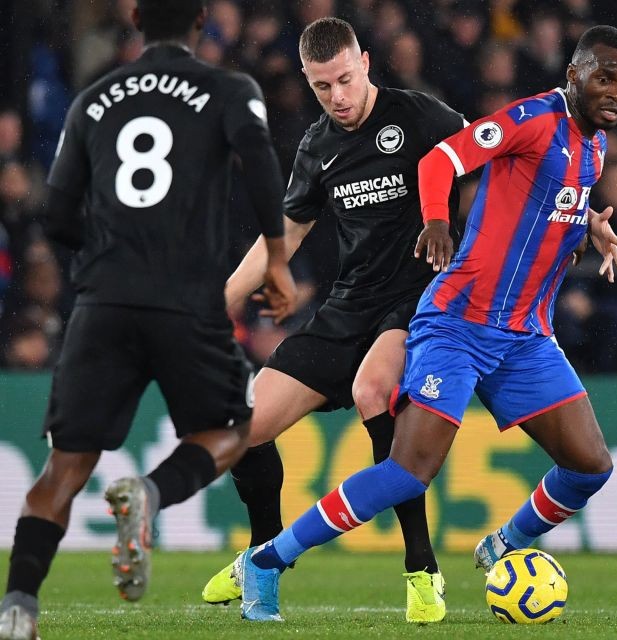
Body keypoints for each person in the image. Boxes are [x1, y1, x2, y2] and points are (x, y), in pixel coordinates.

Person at [234, 24, 617, 622]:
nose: (616, 91)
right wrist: (436, 220)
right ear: (573, 75)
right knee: (406, 472)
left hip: (525, 335)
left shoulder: (592, 146)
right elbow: (443, 159)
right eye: (604, 77)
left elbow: (545, 206)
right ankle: (270, 559)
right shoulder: (530, 118)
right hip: (458, 323)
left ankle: (503, 546)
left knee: (591, 468)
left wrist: (587, 227)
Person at [0, 1, 297, 638]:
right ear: (199, 23)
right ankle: (152, 494)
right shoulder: (227, 88)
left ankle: (19, 605)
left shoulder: (94, 97)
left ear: (135, 20)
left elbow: (55, 217)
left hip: (102, 301)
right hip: (185, 299)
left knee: (64, 468)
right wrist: (276, 259)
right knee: (231, 431)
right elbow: (263, 164)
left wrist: (110, 248)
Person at [198, 17, 467, 624]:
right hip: (351, 305)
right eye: (322, 88)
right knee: (244, 427)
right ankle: (262, 559)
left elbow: (494, 162)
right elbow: (283, 238)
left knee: (375, 389)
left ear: (366, 63)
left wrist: (570, 216)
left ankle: (421, 569)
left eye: (345, 80)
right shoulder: (318, 147)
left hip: (419, 298)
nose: (337, 97)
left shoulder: (422, 117)